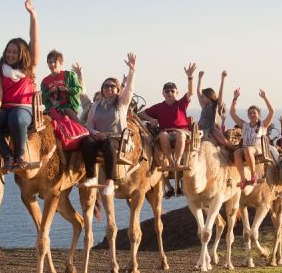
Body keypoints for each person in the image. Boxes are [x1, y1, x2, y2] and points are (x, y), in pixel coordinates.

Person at [0, 0, 39, 172]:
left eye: (14, 52)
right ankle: (7, 155)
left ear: (22, 54)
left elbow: (34, 40)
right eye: (8, 51)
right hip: (5, 107)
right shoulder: (1, 69)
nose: (10, 54)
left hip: (24, 108)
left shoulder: (29, 67)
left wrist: (33, 16)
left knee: (17, 118)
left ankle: (19, 154)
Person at [81, 53, 136, 196]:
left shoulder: (121, 103)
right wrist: (94, 133)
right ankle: (91, 176)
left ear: (118, 89)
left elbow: (129, 89)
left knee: (108, 144)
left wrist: (132, 71)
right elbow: (89, 125)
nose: (108, 88)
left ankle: (110, 181)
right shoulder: (96, 105)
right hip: (99, 136)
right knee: (86, 141)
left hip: (117, 138)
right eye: (105, 86)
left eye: (112, 86)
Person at [140, 63, 196, 169]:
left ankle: (177, 162)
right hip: (166, 132)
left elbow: (191, 92)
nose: (169, 93)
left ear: (177, 93)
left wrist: (190, 77)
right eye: (167, 91)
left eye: (172, 91)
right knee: (163, 135)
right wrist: (150, 119)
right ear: (163, 93)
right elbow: (141, 114)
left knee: (180, 134)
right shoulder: (158, 107)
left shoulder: (181, 103)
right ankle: (171, 162)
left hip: (182, 132)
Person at [229, 88, 275, 188]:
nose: (252, 115)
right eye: (250, 113)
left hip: (258, 148)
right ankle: (243, 179)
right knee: (236, 153)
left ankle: (254, 175)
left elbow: (272, 112)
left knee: (248, 150)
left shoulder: (263, 124)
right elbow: (232, 113)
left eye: (254, 113)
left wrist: (265, 98)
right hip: (246, 148)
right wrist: (235, 98)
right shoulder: (244, 125)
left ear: (258, 114)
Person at [40, 50, 82, 122]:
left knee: (78, 128)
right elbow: (43, 99)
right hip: (52, 110)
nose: (52, 64)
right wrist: (50, 92)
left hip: (68, 108)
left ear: (60, 63)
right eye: (50, 62)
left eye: (55, 62)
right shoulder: (45, 81)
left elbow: (79, 89)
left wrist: (66, 89)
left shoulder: (69, 75)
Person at [196, 70, 232, 147]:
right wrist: (199, 79)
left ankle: (234, 150)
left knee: (224, 142)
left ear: (208, 96)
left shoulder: (217, 106)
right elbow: (198, 93)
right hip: (202, 128)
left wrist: (223, 79)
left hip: (212, 128)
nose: (201, 97)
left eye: (203, 96)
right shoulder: (204, 105)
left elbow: (220, 93)